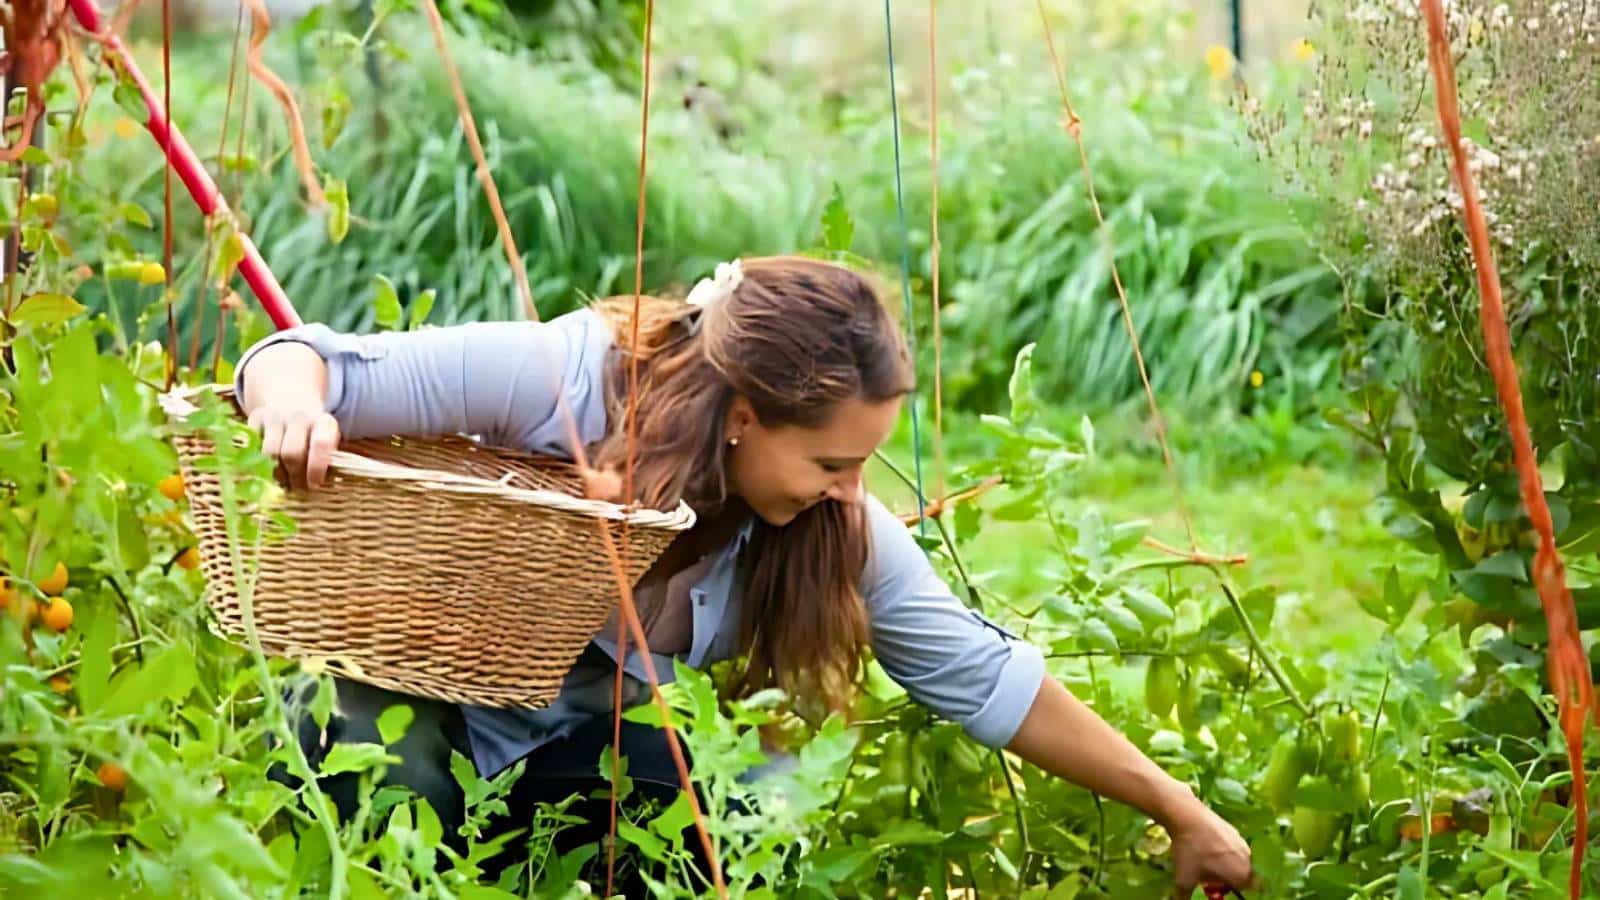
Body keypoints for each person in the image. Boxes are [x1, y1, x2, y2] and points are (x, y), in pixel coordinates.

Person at [236, 255, 1255, 894]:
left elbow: (988, 681)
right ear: (743, 416)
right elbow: (306, 360)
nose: (852, 493)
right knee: (373, 762)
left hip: (557, 767)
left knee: (738, 809)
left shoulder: (825, 526)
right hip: (424, 712)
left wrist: (1180, 810)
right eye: (830, 463)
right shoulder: (572, 379)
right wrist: (293, 409)